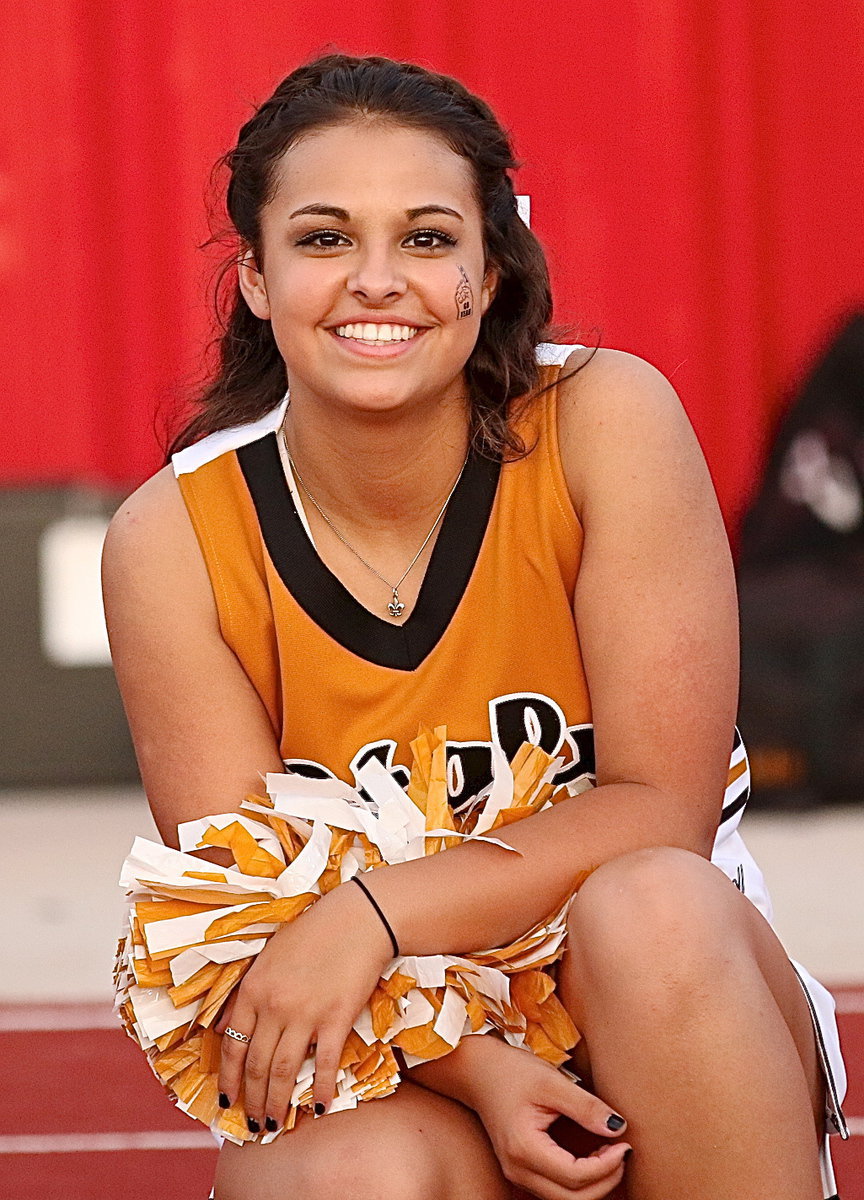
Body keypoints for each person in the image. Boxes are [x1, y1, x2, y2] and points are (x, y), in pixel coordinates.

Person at [102, 54, 848, 1200]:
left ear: (490, 269)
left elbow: (663, 806)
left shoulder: (607, 422)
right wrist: (489, 1074)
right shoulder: (174, 541)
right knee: (334, 1175)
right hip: (406, 1059)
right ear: (254, 277)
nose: (377, 280)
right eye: (324, 239)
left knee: (648, 905)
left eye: (428, 238)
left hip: (659, 1006)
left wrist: (373, 913)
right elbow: (251, 911)